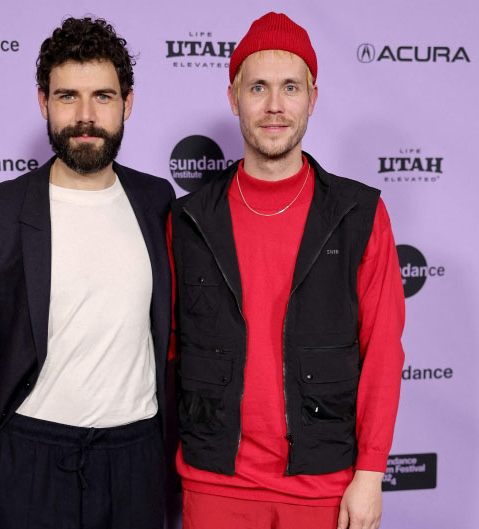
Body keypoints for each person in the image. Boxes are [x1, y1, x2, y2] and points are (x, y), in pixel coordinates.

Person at [168, 12, 405, 529]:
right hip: (215, 484)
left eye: (290, 87)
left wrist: (369, 474)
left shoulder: (357, 214)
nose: (274, 106)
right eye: (258, 87)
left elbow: (383, 351)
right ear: (234, 98)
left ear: (312, 98)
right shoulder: (188, 220)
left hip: (324, 486)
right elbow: (165, 353)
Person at [0, 17, 174, 529]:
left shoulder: (158, 201)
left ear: (127, 104)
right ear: (44, 102)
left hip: (137, 460)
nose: (85, 117)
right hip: (29, 458)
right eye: (68, 96)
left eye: (103, 97)